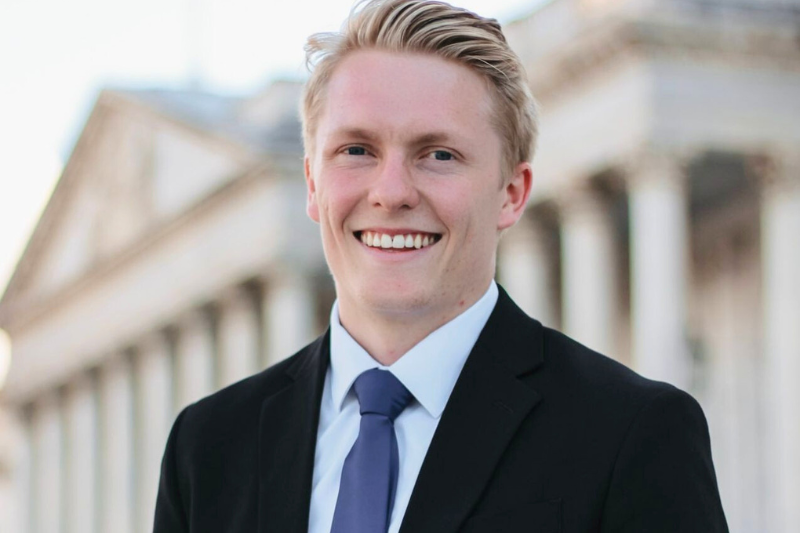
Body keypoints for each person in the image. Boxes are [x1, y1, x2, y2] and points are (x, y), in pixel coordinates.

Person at [153, 1, 729, 532]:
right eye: (357, 150)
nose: (392, 192)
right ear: (312, 183)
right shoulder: (207, 448)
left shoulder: (632, 432)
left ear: (511, 193)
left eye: (439, 154)